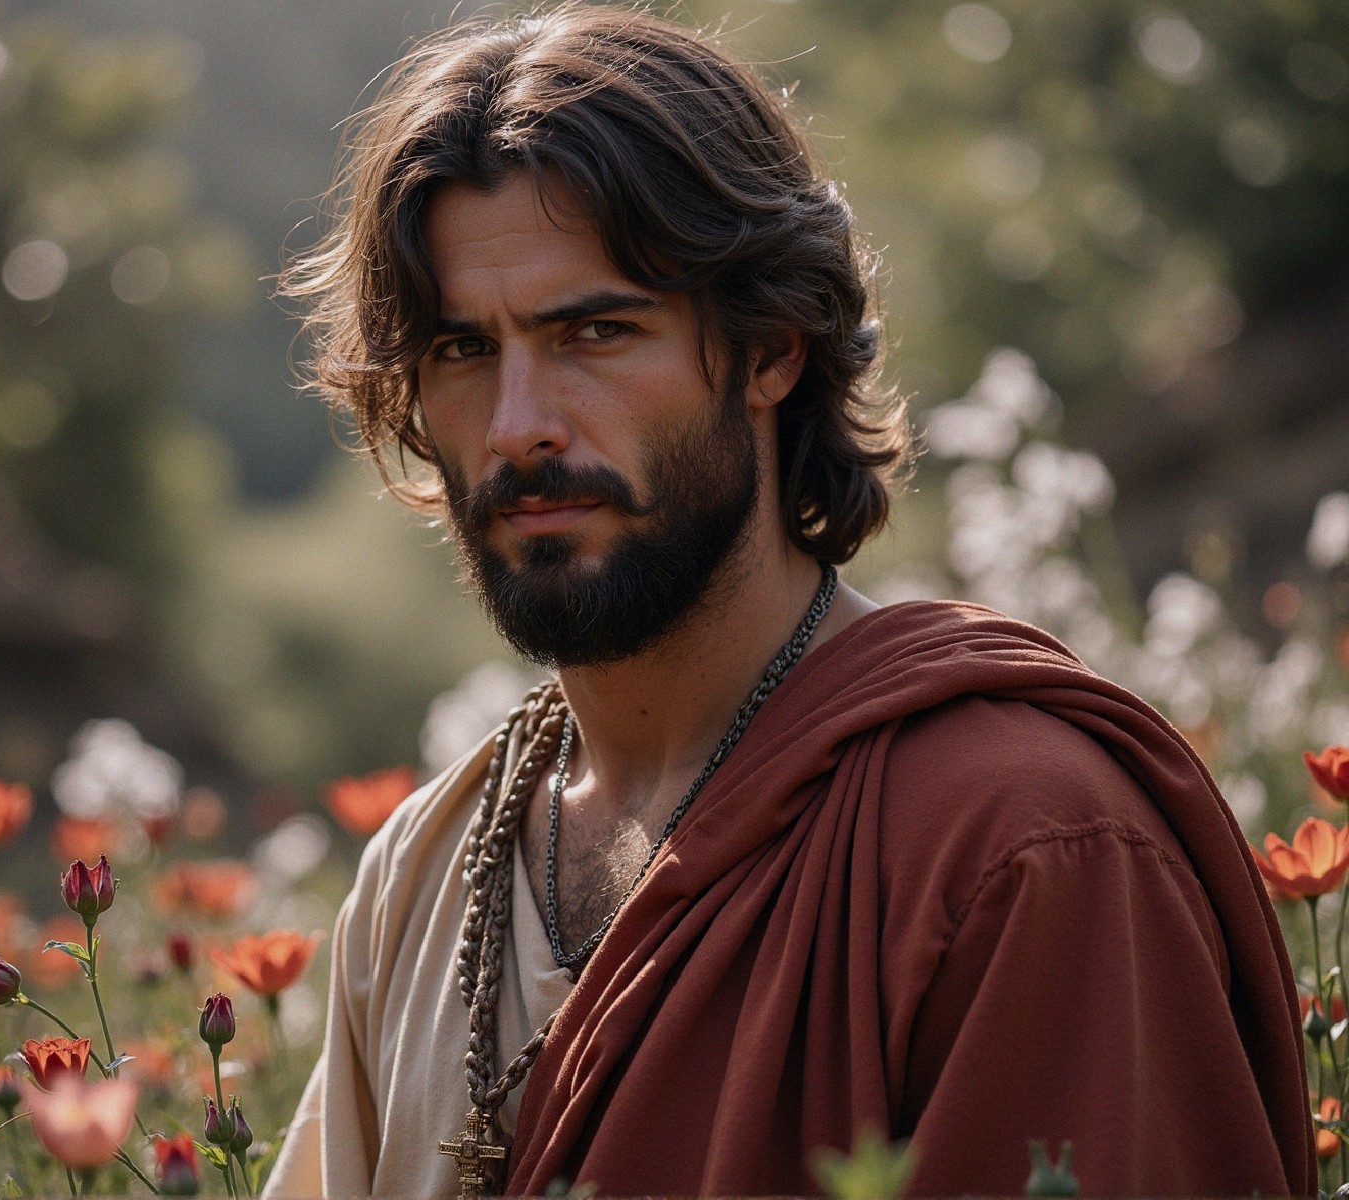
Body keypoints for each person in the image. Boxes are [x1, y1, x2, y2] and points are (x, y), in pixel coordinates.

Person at [262, 5, 1313, 1197]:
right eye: (461, 354)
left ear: (773, 348)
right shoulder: (423, 877)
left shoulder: (1015, 842)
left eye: (595, 332)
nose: (517, 427)